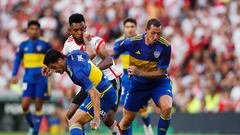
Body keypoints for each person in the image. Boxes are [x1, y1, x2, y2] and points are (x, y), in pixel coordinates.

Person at [42, 13, 122, 135]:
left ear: (85, 27)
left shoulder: (96, 41)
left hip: (110, 80)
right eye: (76, 30)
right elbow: (61, 59)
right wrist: (49, 67)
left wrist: (91, 69)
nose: (79, 32)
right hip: (88, 82)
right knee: (70, 115)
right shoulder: (68, 44)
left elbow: (109, 60)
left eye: (82, 29)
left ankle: (117, 131)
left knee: (107, 119)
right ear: (70, 30)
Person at [111, 18, 173, 135]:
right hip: (136, 83)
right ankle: (144, 126)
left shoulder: (165, 46)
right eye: (153, 33)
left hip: (158, 83)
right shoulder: (131, 42)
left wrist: (139, 72)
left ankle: (149, 127)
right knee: (126, 120)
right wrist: (93, 47)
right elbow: (112, 53)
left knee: (167, 107)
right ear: (146, 31)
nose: (156, 37)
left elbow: (161, 72)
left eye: (158, 34)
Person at [43, 49, 117, 135]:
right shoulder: (73, 54)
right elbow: (89, 54)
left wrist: (96, 118)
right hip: (100, 88)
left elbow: (94, 93)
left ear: (60, 60)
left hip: (103, 93)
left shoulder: (77, 73)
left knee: (74, 122)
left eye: (54, 67)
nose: (54, 70)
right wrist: (49, 67)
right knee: (73, 120)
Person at [11, 20, 52, 135]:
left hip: (41, 79)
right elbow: (17, 59)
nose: (34, 31)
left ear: (39, 31)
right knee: (24, 105)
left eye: (36, 29)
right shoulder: (23, 44)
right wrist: (14, 74)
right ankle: (32, 126)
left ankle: (35, 132)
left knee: (38, 105)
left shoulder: (45, 43)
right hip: (28, 78)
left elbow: (52, 57)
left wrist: (50, 69)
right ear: (28, 30)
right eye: (31, 29)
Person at [114, 18, 154, 135]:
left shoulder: (144, 40)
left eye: (132, 27)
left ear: (136, 28)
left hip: (141, 78)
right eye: (127, 27)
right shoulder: (119, 42)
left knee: (142, 108)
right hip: (126, 78)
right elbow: (114, 60)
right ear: (124, 28)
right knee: (128, 109)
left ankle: (147, 125)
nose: (130, 29)